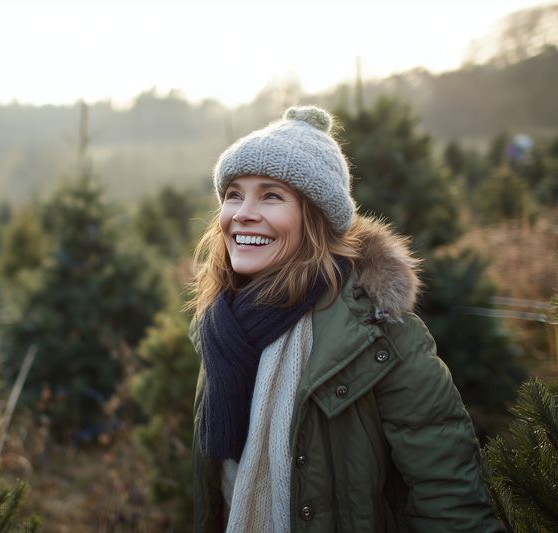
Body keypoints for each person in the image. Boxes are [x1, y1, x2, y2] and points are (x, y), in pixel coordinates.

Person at [188, 106, 504, 532]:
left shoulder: (380, 337)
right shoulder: (220, 329)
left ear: (315, 217)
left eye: (271, 195)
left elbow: (449, 501)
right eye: (233, 194)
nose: (242, 212)